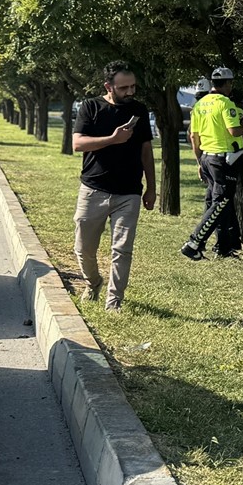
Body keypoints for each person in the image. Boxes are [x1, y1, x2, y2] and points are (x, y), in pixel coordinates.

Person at [72, 61, 156, 310]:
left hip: (128, 192)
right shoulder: (90, 107)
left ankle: (114, 301)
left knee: (122, 249)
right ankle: (93, 282)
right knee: (83, 248)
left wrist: (151, 188)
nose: (130, 92)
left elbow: (146, 153)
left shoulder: (138, 110)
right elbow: (78, 144)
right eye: (123, 88)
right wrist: (113, 139)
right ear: (108, 86)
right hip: (93, 189)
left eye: (133, 86)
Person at [181, 67, 243, 260]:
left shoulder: (199, 105)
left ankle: (221, 246)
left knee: (214, 202)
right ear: (228, 84)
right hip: (224, 159)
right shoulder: (225, 103)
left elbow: (194, 137)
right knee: (221, 203)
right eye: (231, 83)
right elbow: (233, 131)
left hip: (206, 158)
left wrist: (199, 162)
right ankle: (194, 242)